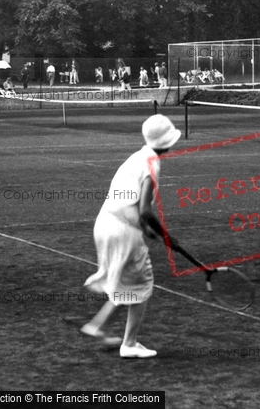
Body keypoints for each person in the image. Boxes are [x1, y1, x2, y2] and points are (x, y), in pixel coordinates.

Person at [80, 114, 181, 359]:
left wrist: (146, 229)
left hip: (105, 224)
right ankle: (130, 344)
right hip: (122, 231)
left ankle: (97, 325)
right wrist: (167, 237)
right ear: (166, 141)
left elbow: (131, 204)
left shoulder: (137, 157)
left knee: (127, 284)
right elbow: (146, 210)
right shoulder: (151, 163)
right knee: (142, 285)